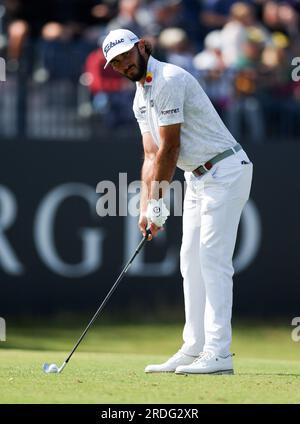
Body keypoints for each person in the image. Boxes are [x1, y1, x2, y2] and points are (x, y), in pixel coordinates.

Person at [101, 29, 253, 375]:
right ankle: (194, 347)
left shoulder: (169, 78)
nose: (123, 64)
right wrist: (147, 205)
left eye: (126, 55)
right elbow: (150, 153)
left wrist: (160, 201)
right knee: (190, 261)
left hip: (225, 170)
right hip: (198, 177)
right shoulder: (140, 97)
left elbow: (171, 148)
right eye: (116, 62)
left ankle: (219, 353)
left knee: (213, 260)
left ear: (142, 47)